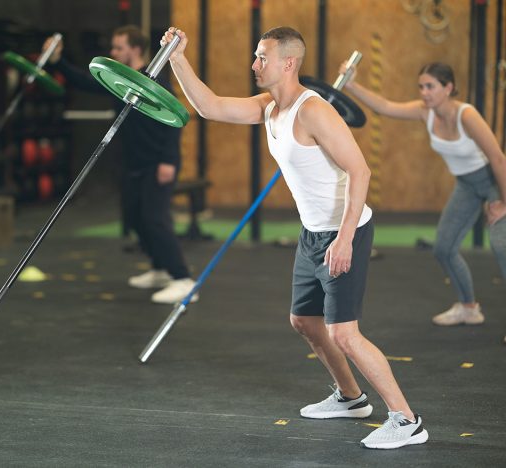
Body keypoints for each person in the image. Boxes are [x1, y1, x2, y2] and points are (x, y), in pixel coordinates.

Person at [161, 26, 428, 449]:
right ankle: (351, 398)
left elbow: (360, 171)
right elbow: (210, 107)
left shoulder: (313, 111)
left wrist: (344, 240)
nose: (254, 65)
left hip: (346, 231)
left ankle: (407, 419)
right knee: (304, 321)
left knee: (344, 333)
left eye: (262, 57)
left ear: (288, 63)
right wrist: (178, 57)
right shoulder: (269, 107)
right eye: (255, 56)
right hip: (311, 233)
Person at [341, 61, 506, 342]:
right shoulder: (424, 112)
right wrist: (351, 84)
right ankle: (468, 308)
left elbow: (498, 158)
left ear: (448, 88)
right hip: (466, 185)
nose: (424, 92)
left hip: (494, 181)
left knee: (501, 245)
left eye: (430, 86)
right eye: (421, 86)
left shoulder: (467, 116)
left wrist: (503, 201)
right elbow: (384, 107)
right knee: (443, 248)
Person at [43, 26, 197, 304]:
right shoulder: (123, 82)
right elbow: (85, 81)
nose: (112, 53)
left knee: (155, 220)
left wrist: (169, 161)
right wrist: (58, 63)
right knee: (136, 219)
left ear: (135, 49)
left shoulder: (155, 81)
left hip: (156, 164)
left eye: (118, 48)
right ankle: (160, 268)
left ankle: (183, 279)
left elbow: (174, 124)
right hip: (132, 163)